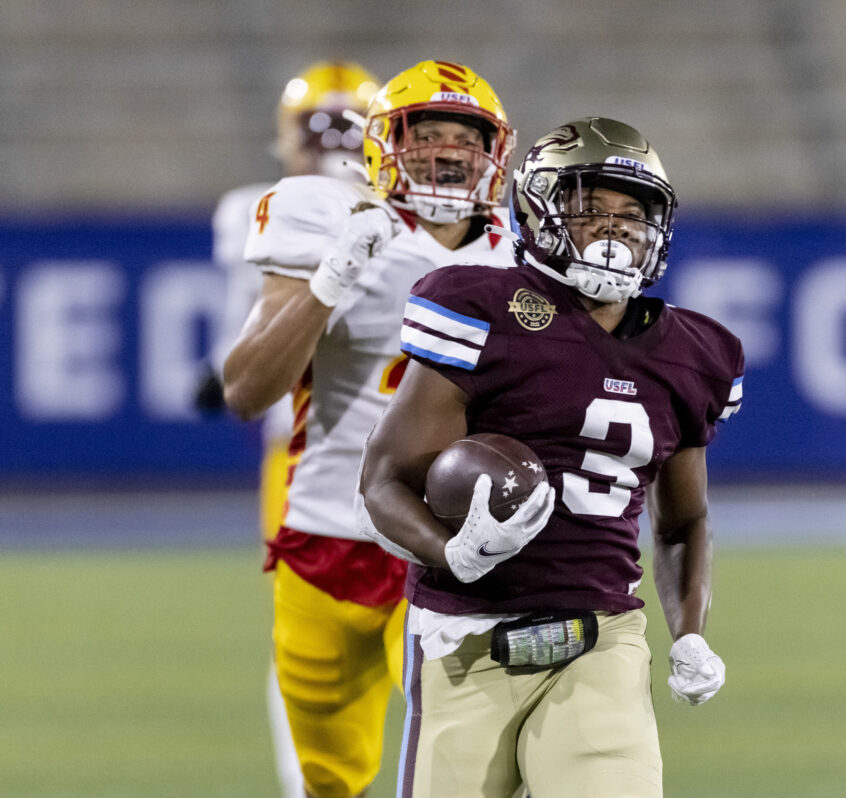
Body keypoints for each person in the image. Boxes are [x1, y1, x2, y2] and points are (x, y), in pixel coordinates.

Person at [356, 117, 745, 798]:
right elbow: (385, 479)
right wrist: (452, 554)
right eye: (589, 207)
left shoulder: (695, 353)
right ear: (538, 210)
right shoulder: (481, 307)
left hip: (603, 639)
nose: (615, 227)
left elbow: (683, 521)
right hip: (466, 639)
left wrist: (689, 633)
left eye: (632, 213)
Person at [222, 59, 516, 798]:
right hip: (328, 534)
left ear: (495, 152)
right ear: (387, 144)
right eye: (428, 133)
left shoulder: (526, 254)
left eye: (465, 136)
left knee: (464, 766)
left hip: (449, 542)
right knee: (328, 780)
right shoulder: (328, 218)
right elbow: (247, 390)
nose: (447, 151)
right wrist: (328, 282)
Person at [197, 59, 381, 798]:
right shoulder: (266, 207)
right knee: (311, 634)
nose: (329, 146)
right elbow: (255, 335)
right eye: (320, 130)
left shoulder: (261, 202)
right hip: (310, 448)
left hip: (411, 448)